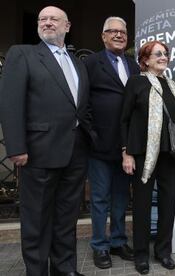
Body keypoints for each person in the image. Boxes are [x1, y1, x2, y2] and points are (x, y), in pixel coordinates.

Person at [0, 6, 90, 276]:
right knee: (36, 220)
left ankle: (65, 269)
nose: (47, 23)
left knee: (66, 218)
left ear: (67, 26)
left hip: (74, 152)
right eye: (43, 19)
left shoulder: (77, 62)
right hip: (37, 153)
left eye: (54, 19)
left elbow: (80, 107)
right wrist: (16, 147)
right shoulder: (23, 54)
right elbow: (11, 103)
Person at [121, 41, 175, 275]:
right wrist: (125, 152)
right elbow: (124, 119)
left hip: (169, 153)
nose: (163, 57)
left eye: (165, 54)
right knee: (142, 206)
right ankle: (141, 255)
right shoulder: (136, 82)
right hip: (143, 154)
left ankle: (163, 251)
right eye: (158, 54)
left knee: (168, 203)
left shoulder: (171, 84)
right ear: (145, 59)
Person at [83, 16, 139, 269]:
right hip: (100, 145)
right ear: (103, 36)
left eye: (122, 32)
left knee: (120, 198)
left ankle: (117, 241)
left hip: (126, 146)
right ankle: (99, 245)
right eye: (112, 31)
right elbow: (82, 103)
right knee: (99, 199)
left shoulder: (133, 65)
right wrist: (92, 134)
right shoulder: (91, 63)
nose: (118, 35)